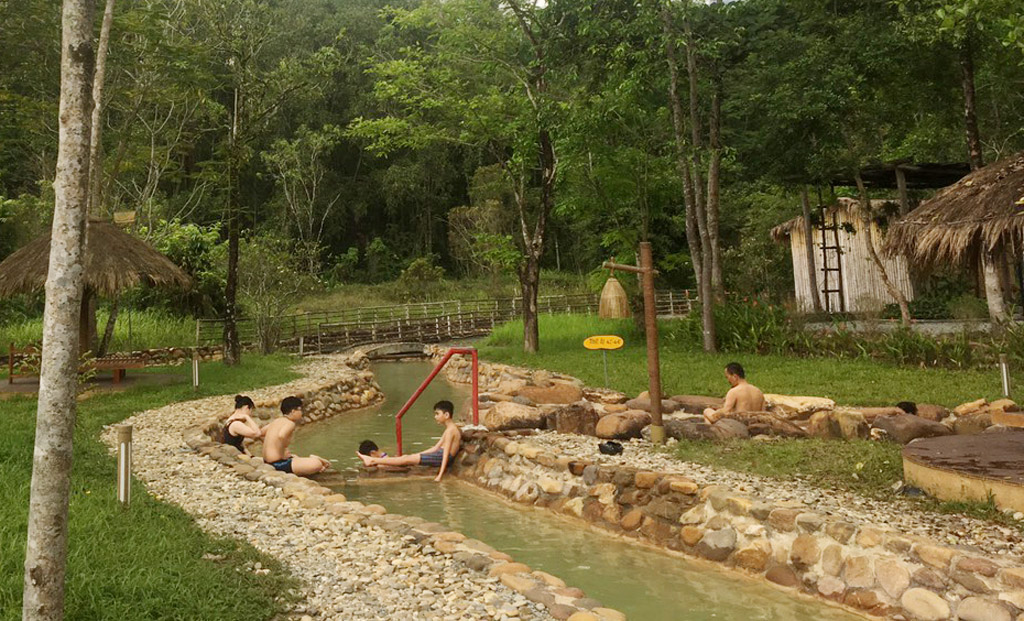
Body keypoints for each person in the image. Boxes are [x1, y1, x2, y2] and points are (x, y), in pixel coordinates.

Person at [356, 400, 461, 481]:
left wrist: (440, 475)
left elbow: (445, 455)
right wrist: (418, 455)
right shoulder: (450, 429)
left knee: (406, 459)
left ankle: (373, 460)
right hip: (438, 455)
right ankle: (375, 460)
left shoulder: (451, 431)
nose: (435, 417)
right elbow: (435, 448)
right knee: (407, 458)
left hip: (440, 457)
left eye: (437, 414)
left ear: (446, 415)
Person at [261, 396, 331, 476]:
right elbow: (281, 435)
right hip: (277, 464)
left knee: (295, 457)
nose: (301, 413)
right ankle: (315, 459)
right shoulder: (290, 423)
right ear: (293, 411)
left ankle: (313, 460)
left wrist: (271, 447)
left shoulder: (277, 421)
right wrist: (283, 451)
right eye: (300, 410)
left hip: (267, 461)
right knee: (316, 464)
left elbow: (261, 432)